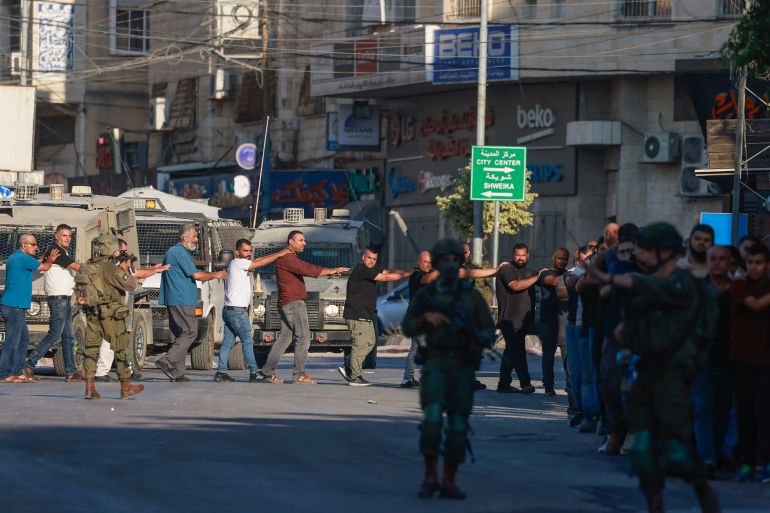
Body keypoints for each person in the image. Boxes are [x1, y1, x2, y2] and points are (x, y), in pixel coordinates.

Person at [587, 223, 720, 513]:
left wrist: (612, 277)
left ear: (666, 252)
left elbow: (656, 287)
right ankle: (655, 506)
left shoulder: (684, 283)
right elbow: (631, 324)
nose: (640, 254)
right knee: (642, 450)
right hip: (643, 374)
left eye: (647, 249)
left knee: (676, 452)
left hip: (673, 377)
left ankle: (704, 492)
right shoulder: (643, 286)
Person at [402, 239, 495, 500]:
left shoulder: (472, 297)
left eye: (456, 260)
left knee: (457, 427)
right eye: (447, 260)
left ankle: (449, 479)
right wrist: (426, 319)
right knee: (432, 422)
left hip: (463, 367)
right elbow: (408, 326)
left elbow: (489, 330)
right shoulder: (428, 295)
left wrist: (477, 338)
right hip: (436, 364)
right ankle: (430, 476)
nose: (451, 265)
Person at [252, 230, 349, 384]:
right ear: (291, 242)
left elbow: (306, 269)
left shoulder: (288, 257)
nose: (304, 243)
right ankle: (299, 375)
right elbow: (308, 269)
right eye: (301, 240)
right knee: (303, 338)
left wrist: (329, 273)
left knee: (284, 339)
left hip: (287, 303)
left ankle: (266, 372)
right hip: (294, 303)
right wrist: (331, 270)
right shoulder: (287, 258)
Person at [155, 225, 227, 382]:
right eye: (194, 236)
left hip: (175, 299)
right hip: (182, 299)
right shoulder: (179, 252)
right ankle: (166, 360)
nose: (196, 239)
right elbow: (197, 275)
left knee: (179, 335)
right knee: (190, 332)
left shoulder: (174, 252)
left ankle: (177, 372)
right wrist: (217, 274)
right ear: (185, 238)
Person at [214, 239, 290, 383]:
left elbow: (259, 260)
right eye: (245, 251)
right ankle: (254, 372)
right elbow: (259, 263)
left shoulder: (235, 264)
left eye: (250, 251)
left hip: (229, 310)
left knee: (227, 342)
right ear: (237, 252)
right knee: (247, 341)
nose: (248, 254)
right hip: (237, 312)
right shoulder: (239, 262)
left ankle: (221, 372)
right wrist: (280, 254)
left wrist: (277, 253)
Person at [79, 235, 145, 400]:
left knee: (91, 350)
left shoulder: (88, 265)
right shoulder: (110, 268)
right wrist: (125, 268)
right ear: (114, 251)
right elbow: (130, 284)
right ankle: (126, 386)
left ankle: (89, 387)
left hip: (92, 313)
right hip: (110, 314)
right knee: (121, 348)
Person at [95, 238, 169, 382]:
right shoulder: (113, 265)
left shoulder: (119, 263)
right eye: (123, 250)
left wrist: (154, 269)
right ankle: (101, 372)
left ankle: (125, 370)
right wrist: (156, 270)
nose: (126, 253)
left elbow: (135, 272)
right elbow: (136, 275)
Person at [337, 246, 411, 386]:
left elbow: (389, 271)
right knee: (361, 344)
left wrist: (408, 272)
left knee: (370, 342)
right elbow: (386, 277)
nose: (371, 261)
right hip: (356, 315)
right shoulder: (362, 270)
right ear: (363, 257)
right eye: (369, 258)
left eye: (374, 259)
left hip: (365, 314)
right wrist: (410, 274)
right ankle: (354, 376)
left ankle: (347, 366)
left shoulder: (370, 270)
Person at [728, 243, 770, 484]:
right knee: (745, 412)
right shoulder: (739, 285)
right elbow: (753, 305)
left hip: (766, 359)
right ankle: (744, 461)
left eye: (759, 263)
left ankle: (764, 461)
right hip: (742, 358)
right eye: (751, 263)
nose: (754, 267)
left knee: (764, 413)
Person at [692, 246, 734, 478]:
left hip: (731, 359)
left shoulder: (738, 289)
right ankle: (706, 457)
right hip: (703, 359)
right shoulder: (699, 288)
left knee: (724, 411)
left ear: (729, 263)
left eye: (722, 259)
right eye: (713, 259)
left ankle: (718, 455)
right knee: (702, 409)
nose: (717, 263)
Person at [23, 224, 83, 382]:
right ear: (57, 236)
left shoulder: (60, 251)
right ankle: (30, 364)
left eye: (69, 236)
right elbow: (76, 267)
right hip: (58, 299)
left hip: (65, 298)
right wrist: (96, 268)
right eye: (64, 235)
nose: (67, 238)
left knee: (69, 337)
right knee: (55, 334)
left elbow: (41, 262)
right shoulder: (56, 251)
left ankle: (70, 371)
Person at [0, 234, 58, 382]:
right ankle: (5, 373)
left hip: (13, 305)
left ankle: (17, 371)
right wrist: (50, 259)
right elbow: (45, 267)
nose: (36, 247)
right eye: (33, 244)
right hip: (15, 306)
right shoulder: (23, 259)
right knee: (12, 341)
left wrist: (44, 258)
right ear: (24, 245)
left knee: (23, 340)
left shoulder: (16, 257)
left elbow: (36, 263)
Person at [496, 243, 542, 394]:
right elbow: (515, 286)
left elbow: (547, 281)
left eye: (523, 255)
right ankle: (525, 383)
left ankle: (503, 384)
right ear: (513, 255)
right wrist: (537, 277)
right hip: (509, 319)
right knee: (518, 352)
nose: (520, 258)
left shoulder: (531, 272)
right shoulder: (506, 269)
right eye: (517, 254)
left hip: (523, 321)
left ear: (528, 256)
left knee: (511, 351)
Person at [561, 246, 594, 427]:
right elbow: (569, 284)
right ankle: (578, 408)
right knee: (575, 372)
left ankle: (590, 411)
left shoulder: (600, 271)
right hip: (574, 325)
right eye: (583, 260)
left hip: (589, 325)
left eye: (590, 259)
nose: (586, 263)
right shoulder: (574, 272)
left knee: (589, 373)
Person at [538, 248, 569, 396]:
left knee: (567, 356)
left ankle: (570, 385)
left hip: (565, 321)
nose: (562, 261)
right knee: (548, 355)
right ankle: (548, 387)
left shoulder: (570, 273)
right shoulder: (545, 272)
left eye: (565, 259)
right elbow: (554, 281)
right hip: (548, 321)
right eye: (559, 258)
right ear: (553, 258)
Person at [400, 250, 432, 389]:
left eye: (430, 262)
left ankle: (407, 379)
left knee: (416, 348)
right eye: (425, 262)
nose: (428, 264)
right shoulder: (416, 275)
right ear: (419, 262)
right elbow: (426, 280)